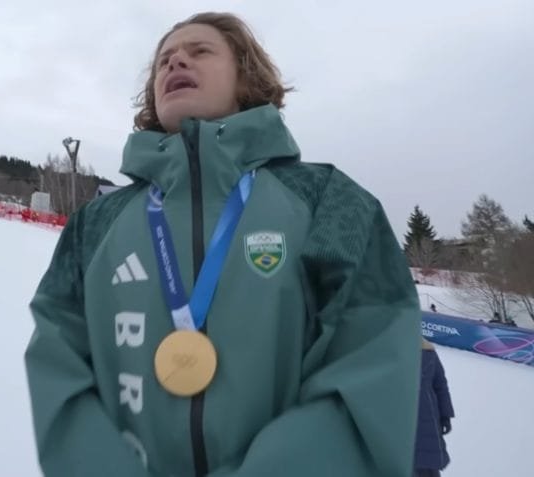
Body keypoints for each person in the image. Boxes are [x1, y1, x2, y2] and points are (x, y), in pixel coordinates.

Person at [24, 11, 422, 477]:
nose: (175, 64)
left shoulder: (330, 202)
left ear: (245, 75)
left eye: (199, 51)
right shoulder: (96, 222)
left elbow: (370, 361)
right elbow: (58, 361)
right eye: (164, 61)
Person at [414, 339, 455, 476]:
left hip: (427, 418)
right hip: (400, 418)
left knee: (427, 464)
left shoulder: (428, 350)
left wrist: (445, 415)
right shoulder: (389, 351)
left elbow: (440, 384)